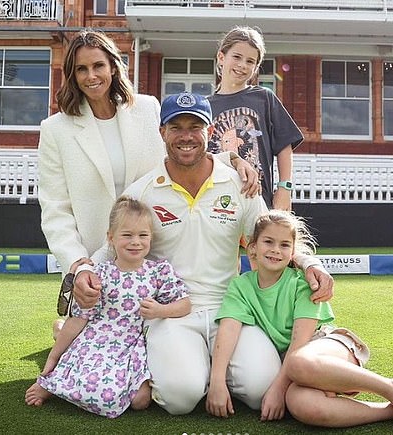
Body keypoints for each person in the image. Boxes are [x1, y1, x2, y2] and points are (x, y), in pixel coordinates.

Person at [74, 92, 334, 416]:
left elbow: (274, 235)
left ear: (210, 133)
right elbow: (109, 247)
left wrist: (310, 262)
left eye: (195, 127)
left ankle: (213, 367)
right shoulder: (142, 191)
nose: (186, 136)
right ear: (162, 133)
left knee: (260, 389)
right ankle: (199, 369)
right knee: (180, 398)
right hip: (172, 312)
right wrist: (82, 269)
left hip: (234, 308)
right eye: (176, 127)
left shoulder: (239, 185)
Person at [37, 29, 258, 333]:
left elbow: (182, 152)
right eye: (81, 69)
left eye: (98, 66)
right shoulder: (56, 130)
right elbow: (55, 210)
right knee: (92, 350)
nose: (91, 76)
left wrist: (232, 160)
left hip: (152, 249)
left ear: (113, 66)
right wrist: (78, 264)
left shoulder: (147, 109)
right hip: (98, 256)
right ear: (72, 75)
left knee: (148, 339)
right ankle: (70, 324)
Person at [207, 209, 393, 433]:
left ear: (293, 252)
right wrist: (217, 382)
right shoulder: (241, 286)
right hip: (295, 365)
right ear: (252, 248)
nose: (276, 250)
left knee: (298, 362)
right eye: (268, 242)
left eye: (285, 245)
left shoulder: (302, 282)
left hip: (326, 347)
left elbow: (301, 341)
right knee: (302, 405)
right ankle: (390, 411)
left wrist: (278, 388)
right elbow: (229, 328)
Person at [25, 196, 191, 417]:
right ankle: (54, 384)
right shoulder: (100, 274)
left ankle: (59, 335)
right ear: (111, 238)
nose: (136, 242)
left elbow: (185, 304)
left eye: (143, 235)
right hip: (98, 340)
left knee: (141, 401)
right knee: (90, 382)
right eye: (127, 235)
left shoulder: (158, 272)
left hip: (133, 345)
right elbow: (80, 319)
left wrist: (161, 311)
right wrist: (53, 359)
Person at [207, 26, 304, 210]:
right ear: (221, 57)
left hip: (258, 201)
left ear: (256, 67)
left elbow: (284, 145)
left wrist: (284, 188)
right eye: (236, 57)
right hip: (215, 203)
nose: (242, 65)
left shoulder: (264, 98)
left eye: (250, 61)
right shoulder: (204, 107)